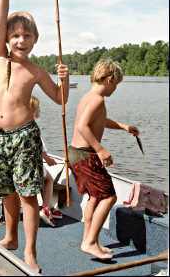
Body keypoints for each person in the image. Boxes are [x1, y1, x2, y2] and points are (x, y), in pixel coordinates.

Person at [0, 0, 69, 272]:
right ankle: (10, 237)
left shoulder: (34, 71)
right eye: (15, 35)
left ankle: (31, 252)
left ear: (35, 40)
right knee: (6, 191)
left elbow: (60, 99)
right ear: (7, 39)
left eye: (27, 36)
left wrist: (65, 79)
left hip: (24, 138)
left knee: (27, 194)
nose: (21, 40)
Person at [69, 58, 139, 260]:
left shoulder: (89, 97)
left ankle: (90, 241)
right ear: (109, 79)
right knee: (109, 197)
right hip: (86, 155)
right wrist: (100, 149)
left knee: (95, 197)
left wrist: (123, 127)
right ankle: (89, 243)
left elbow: (99, 121)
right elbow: (83, 126)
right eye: (116, 84)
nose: (115, 89)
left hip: (78, 154)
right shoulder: (97, 99)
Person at [30, 96, 63, 227]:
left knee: (45, 177)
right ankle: (45, 208)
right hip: (32, 167)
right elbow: (41, 149)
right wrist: (48, 160)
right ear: (32, 111)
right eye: (38, 108)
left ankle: (47, 205)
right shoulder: (33, 127)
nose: (40, 111)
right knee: (48, 179)